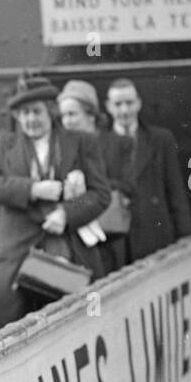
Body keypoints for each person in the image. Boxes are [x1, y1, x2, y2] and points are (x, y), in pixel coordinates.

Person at [0, 75, 111, 332]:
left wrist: (66, 214)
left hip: (70, 253)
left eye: (36, 111)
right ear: (16, 116)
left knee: (76, 328)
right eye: (24, 113)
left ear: (50, 110)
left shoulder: (82, 142)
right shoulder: (0, 145)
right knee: (7, 332)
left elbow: (101, 194)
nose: (31, 120)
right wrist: (34, 189)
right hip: (17, 254)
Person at [105, 78, 191, 261]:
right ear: (108, 107)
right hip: (115, 242)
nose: (124, 110)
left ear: (138, 103)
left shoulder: (161, 139)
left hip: (154, 236)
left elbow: (175, 191)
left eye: (129, 103)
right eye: (118, 104)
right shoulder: (98, 143)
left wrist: (186, 238)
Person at [58, 79, 133, 274]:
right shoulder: (61, 149)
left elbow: (129, 184)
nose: (67, 121)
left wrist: (89, 188)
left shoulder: (117, 144)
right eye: (63, 115)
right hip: (75, 239)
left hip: (108, 239)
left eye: (72, 114)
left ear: (91, 115)